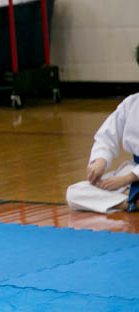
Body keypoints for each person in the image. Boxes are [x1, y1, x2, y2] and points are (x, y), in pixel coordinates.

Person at [66, 45, 139, 214]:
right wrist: (99, 161)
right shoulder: (131, 103)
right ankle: (127, 202)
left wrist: (127, 179)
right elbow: (106, 136)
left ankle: (128, 198)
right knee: (73, 193)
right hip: (132, 170)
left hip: (132, 175)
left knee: (118, 183)